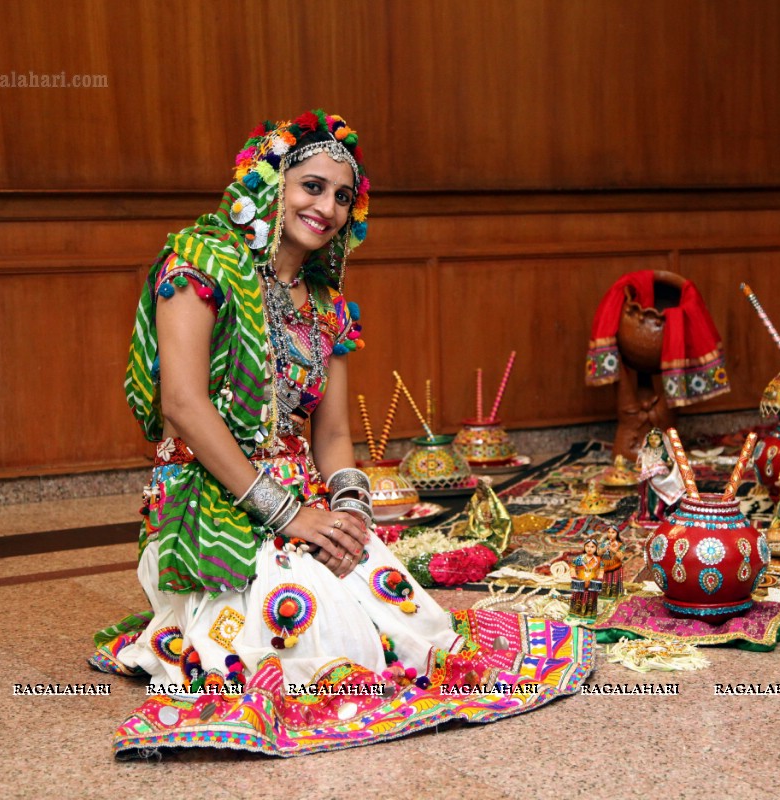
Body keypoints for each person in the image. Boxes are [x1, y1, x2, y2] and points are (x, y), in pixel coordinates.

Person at [90, 111, 592, 757]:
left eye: (342, 195)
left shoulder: (325, 302)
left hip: (302, 499)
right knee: (301, 631)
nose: (326, 207)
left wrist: (351, 513)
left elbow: (331, 436)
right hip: (209, 501)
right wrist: (288, 513)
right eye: (311, 186)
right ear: (270, 183)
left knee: (407, 626)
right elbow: (184, 404)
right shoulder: (201, 261)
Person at [636, 427, 684, 522]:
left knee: (661, 499)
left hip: (661, 479)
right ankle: (649, 514)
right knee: (648, 499)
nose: (653, 441)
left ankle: (660, 513)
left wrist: (668, 464)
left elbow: (671, 462)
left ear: (661, 440)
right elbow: (640, 465)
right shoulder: (645, 452)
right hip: (649, 481)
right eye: (651, 439)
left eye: (656, 439)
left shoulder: (664, 452)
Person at [569, 539, 604, 618]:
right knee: (578, 596)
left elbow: (602, 569)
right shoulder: (579, 558)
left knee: (591, 597)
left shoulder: (598, 560)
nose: (589, 548)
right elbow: (572, 566)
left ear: (596, 548)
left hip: (592, 582)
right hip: (581, 581)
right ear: (584, 547)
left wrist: (600, 576)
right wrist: (573, 573)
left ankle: (590, 612)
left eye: (592, 547)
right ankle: (576, 611)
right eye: (587, 546)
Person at [599, 526, 625, 598]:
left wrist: (612, 549)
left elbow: (621, 557)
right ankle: (603, 593)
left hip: (615, 566)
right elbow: (598, 554)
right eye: (609, 532)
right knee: (604, 583)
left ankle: (614, 595)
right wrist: (603, 550)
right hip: (605, 566)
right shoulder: (604, 543)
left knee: (614, 584)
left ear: (617, 534)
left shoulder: (620, 544)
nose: (610, 534)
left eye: (613, 532)